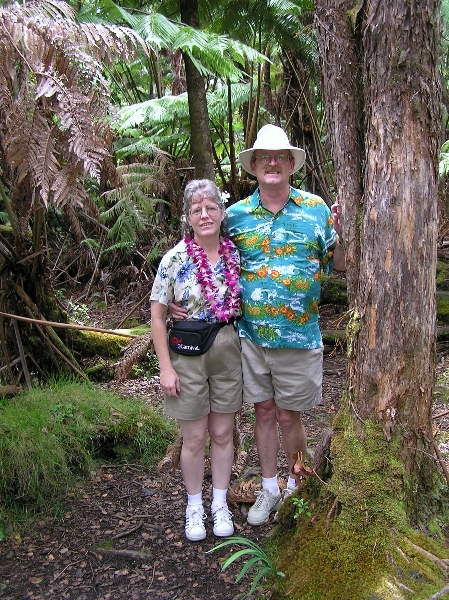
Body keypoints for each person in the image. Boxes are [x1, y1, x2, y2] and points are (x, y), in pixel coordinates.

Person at [170, 124, 345, 526]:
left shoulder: (316, 208)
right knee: (264, 412)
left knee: (290, 416)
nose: (271, 162)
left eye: (279, 156)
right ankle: (268, 489)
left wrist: (345, 231)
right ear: (253, 165)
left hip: (299, 337)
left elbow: (340, 263)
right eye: (263, 156)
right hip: (250, 338)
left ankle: (298, 486)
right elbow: (204, 250)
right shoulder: (235, 216)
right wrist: (175, 303)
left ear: (289, 164)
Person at [150, 179, 242, 542]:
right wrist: (165, 368)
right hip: (186, 354)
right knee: (193, 438)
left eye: (210, 208)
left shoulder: (236, 255)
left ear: (221, 212)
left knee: (222, 433)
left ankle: (219, 503)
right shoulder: (174, 260)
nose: (204, 215)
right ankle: (193, 507)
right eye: (196, 209)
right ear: (188, 217)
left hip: (227, 349)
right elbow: (157, 317)